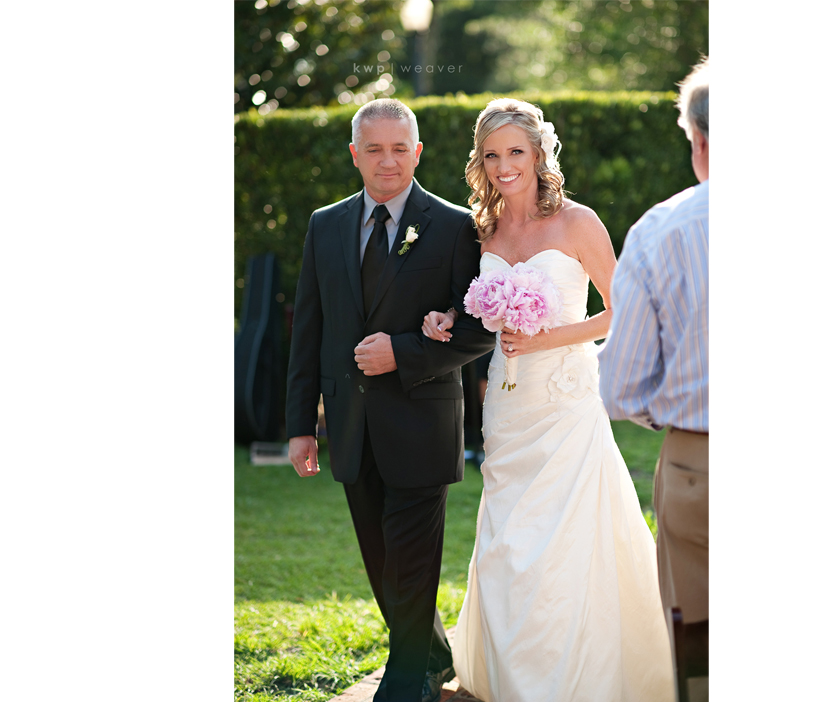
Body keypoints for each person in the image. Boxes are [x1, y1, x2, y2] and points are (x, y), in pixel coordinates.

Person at [421, 98, 674, 702]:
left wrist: (550, 338)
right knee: (509, 535)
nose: (504, 165)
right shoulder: (482, 228)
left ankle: (579, 674)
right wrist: (447, 318)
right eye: (491, 155)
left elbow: (625, 310)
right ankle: (514, 672)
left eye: (515, 151)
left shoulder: (578, 223)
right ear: (480, 163)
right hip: (506, 405)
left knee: (568, 536)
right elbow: (472, 307)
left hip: (565, 401)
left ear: (538, 154)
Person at [285, 98, 496, 702]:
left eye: (399, 148)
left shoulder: (454, 226)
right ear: (355, 154)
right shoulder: (325, 225)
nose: (388, 161)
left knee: (410, 555)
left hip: (421, 421)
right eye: (374, 149)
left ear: (418, 152)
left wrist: (402, 352)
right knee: (380, 560)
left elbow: (477, 330)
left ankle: (406, 681)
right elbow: (310, 331)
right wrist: (300, 425)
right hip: (350, 423)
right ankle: (430, 653)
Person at [598, 57, 709, 701]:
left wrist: (671, 411)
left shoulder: (661, 230)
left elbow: (622, 386)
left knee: (702, 649)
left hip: (701, 462)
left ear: (698, 140)